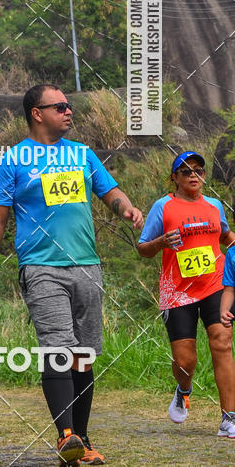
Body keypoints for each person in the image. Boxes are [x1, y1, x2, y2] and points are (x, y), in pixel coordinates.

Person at [0, 84, 143, 466]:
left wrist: (126, 208)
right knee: (59, 348)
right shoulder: (12, 161)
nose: (69, 111)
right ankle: (66, 435)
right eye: (60, 106)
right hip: (41, 267)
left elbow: (109, 191)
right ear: (37, 113)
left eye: (69, 106)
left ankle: (82, 440)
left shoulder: (82, 154)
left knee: (82, 355)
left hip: (86, 265)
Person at [138, 150, 235, 438]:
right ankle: (183, 389)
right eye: (186, 171)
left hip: (215, 285)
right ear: (175, 178)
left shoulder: (215, 206)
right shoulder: (163, 207)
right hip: (177, 292)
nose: (194, 175)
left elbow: (226, 236)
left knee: (222, 343)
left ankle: (229, 417)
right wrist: (161, 241)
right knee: (185, 360)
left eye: (198, 170)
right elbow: (143, 249)